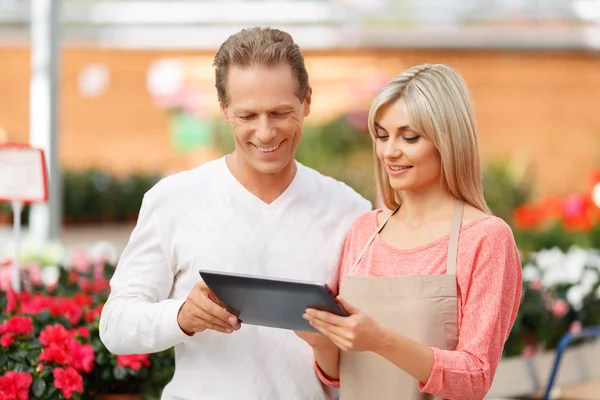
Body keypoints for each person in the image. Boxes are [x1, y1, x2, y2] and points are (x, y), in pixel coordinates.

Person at [99, 27, 371, 400]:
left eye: (280, 112)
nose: (265, 132)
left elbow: (367, 347)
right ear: (224, 110)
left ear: (307, 101)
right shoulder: (172, 200)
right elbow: (115, 326)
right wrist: (180, 317)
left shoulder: (350, 210)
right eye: (248, 115)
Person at [297, 64, 522, 400]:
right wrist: (322, 341)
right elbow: (339, 377)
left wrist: (381, 340)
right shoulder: (364, 231)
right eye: (383, 136)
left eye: (409, 137)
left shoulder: (485, 238)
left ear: (448, 140)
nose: (390, 151)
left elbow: (475, 378)